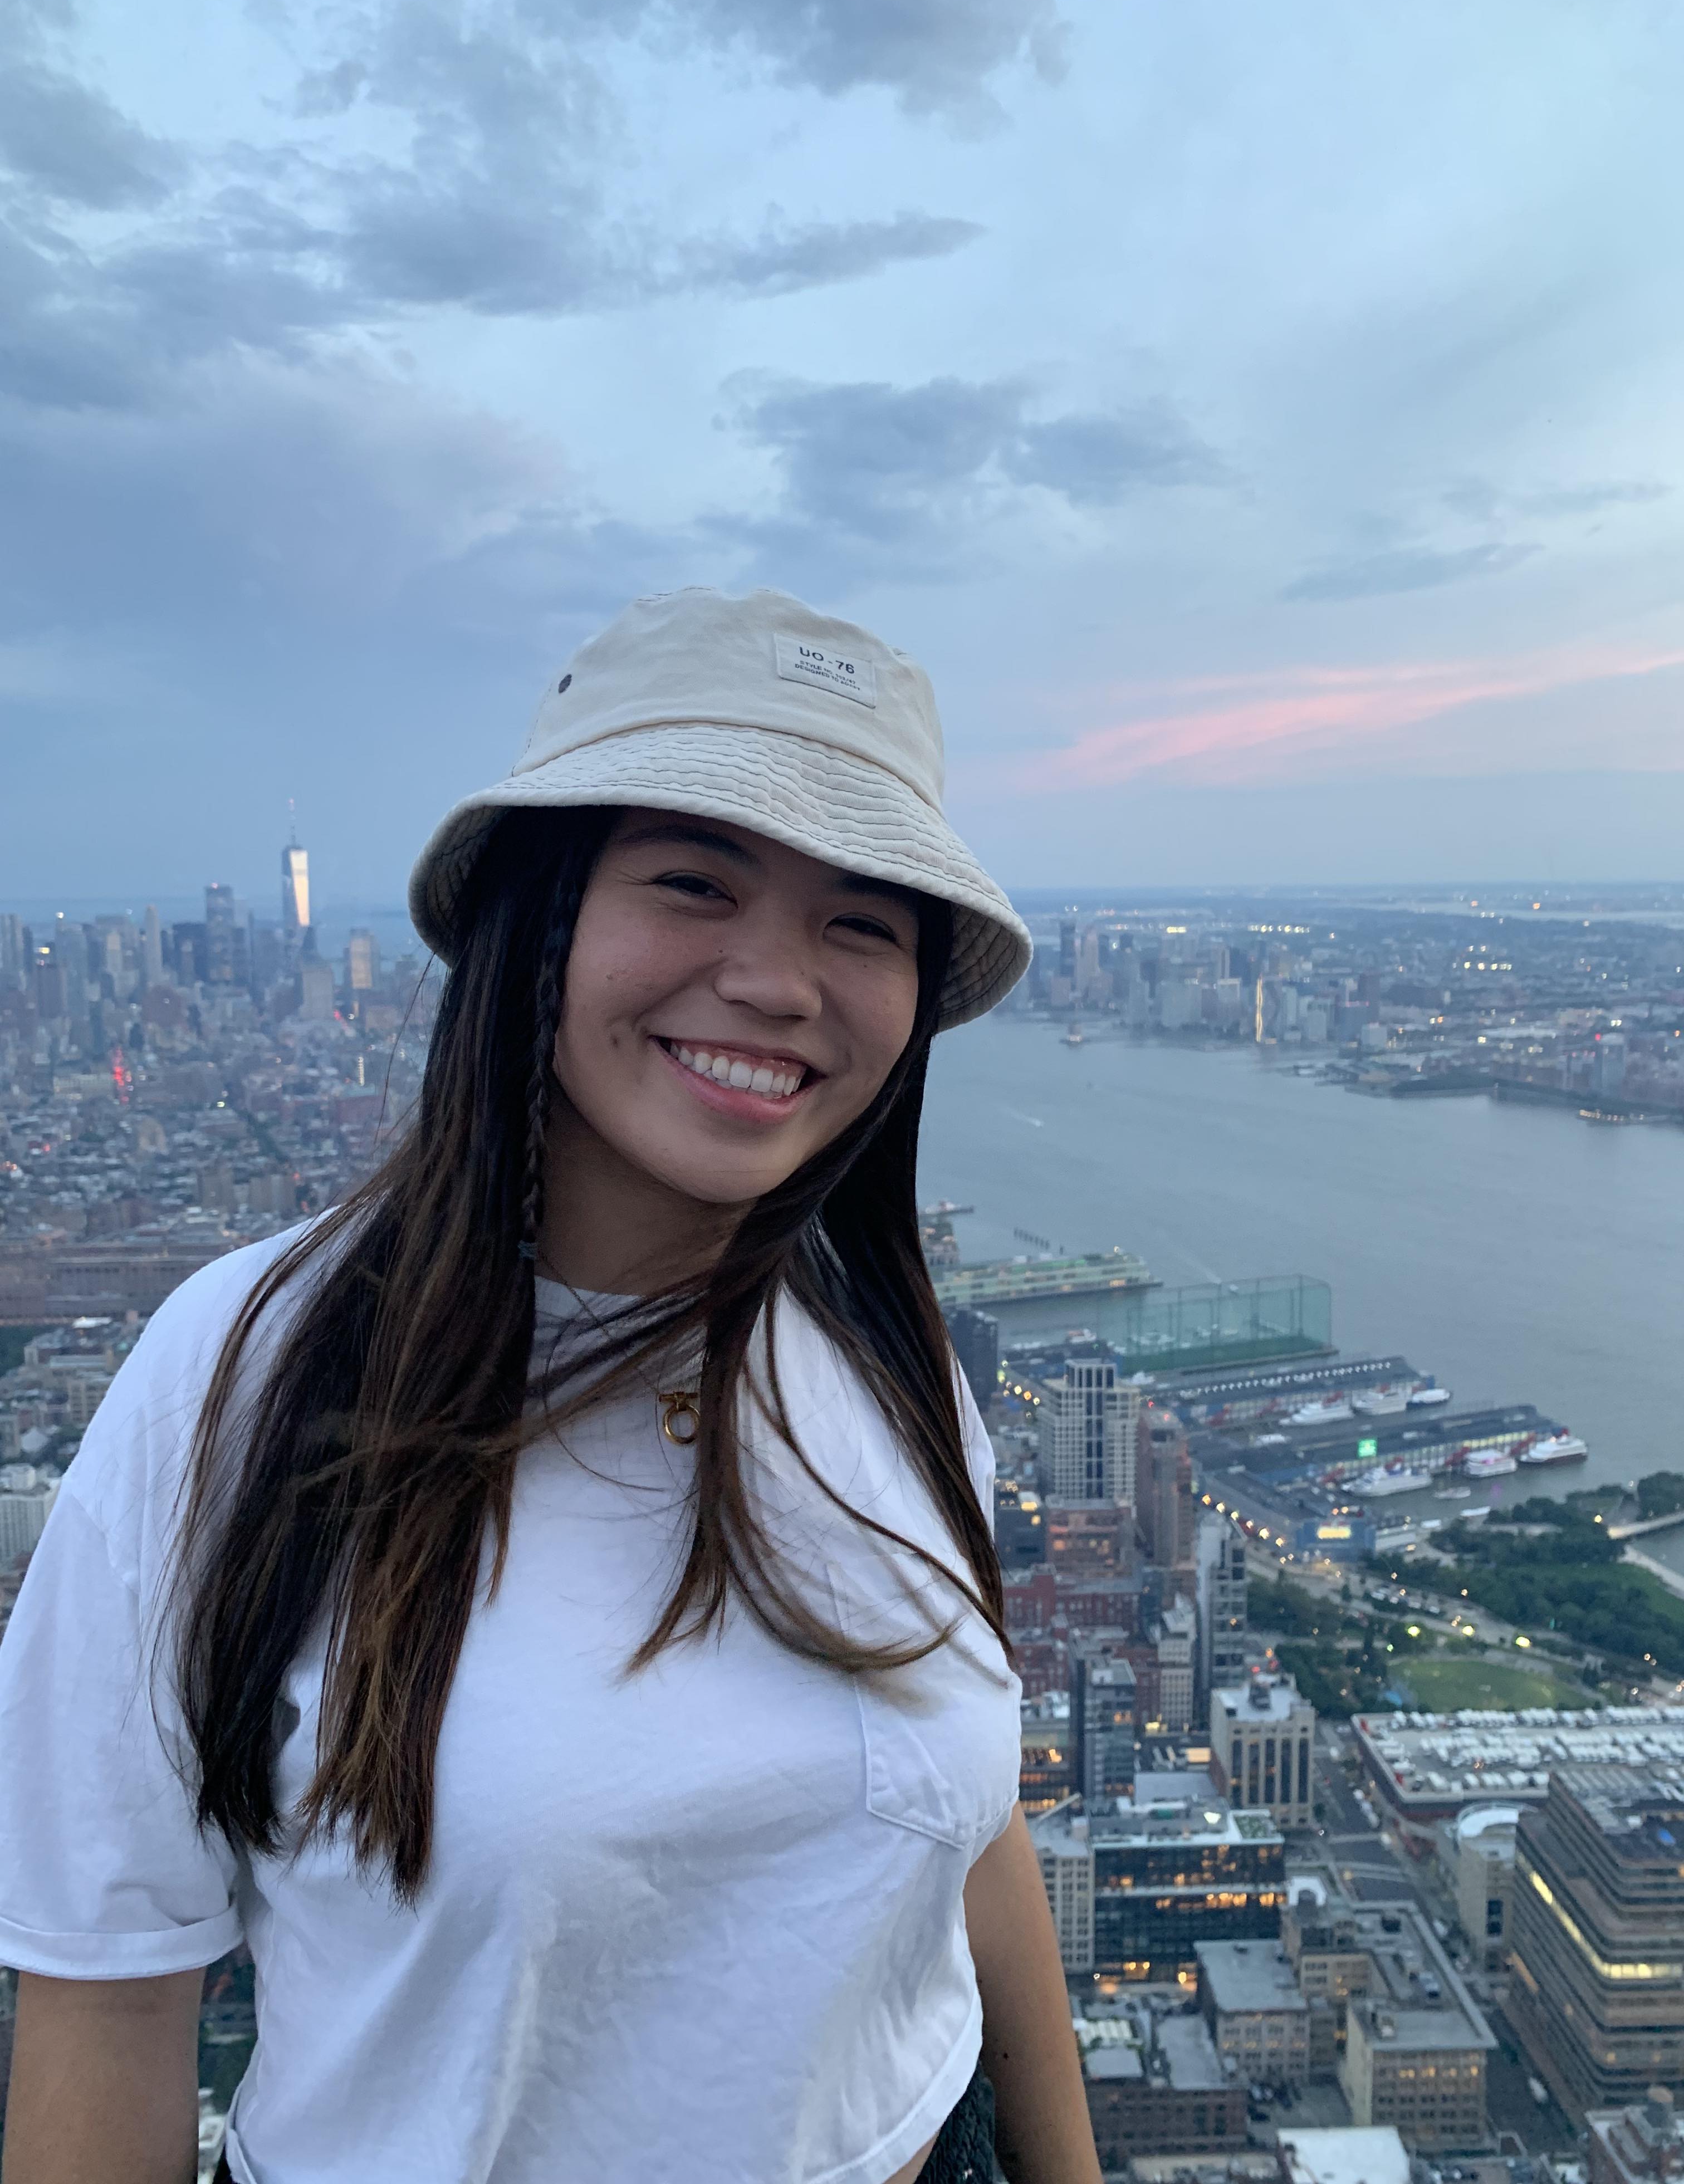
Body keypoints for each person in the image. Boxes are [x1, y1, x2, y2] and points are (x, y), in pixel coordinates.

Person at [0, 587, 1103, 2184]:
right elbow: (108, 2002)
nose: (780, 981)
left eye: (862, 922)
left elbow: (965, 1838)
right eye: (693, 883)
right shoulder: (237, 1383)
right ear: (543, 915)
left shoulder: (889, 1347)